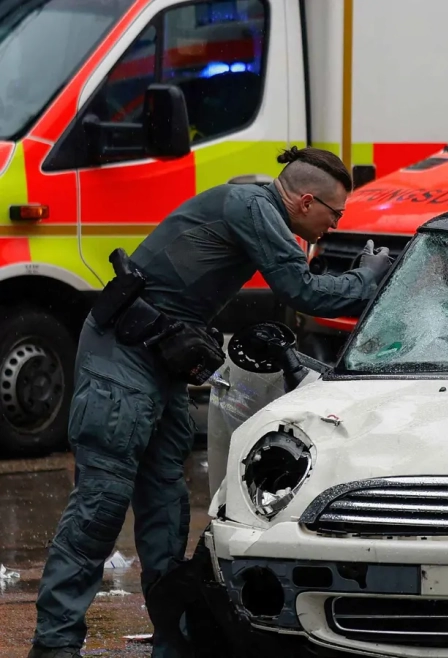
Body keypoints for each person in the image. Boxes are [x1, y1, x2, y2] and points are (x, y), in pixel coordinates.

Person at [28, 146, 394, 658]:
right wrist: (372, 275)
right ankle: (54, 647)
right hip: (122, 362)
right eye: (334, 215)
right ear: (307, 201)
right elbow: (304, 291)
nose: (333, 226)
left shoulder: (252, 205)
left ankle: (172, 645)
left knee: (167, 514)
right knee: (100, 509)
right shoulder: (253, 208)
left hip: (155, 364)